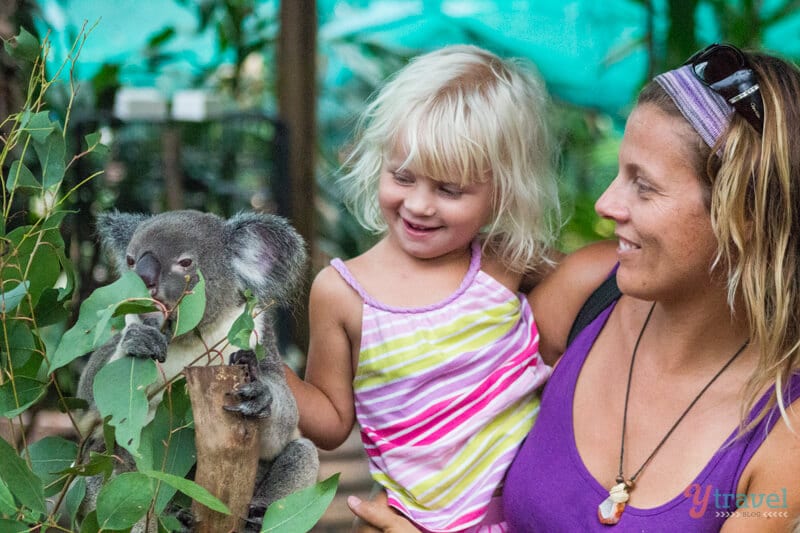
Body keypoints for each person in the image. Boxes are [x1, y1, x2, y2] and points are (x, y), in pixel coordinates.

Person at [348, 43, 800, 531]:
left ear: (744, 214)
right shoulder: (587, 291)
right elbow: (436, 433)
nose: (607, 204)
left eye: (642, 186)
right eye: (618, 174)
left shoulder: (786, 426)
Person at [284, 44, 561, 532]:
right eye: (403, 177)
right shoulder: (342, 291)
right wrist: (264, 365)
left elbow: (601, 294)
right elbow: (330, 423)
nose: (419, 205)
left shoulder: (504, 261)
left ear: (501, 189)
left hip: (523, 518)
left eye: (449, 190)